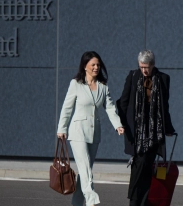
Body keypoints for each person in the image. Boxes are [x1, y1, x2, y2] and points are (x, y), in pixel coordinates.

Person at [57, 51, 124, 206]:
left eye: (98, 65)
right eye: (93, 64)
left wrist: (118, 125)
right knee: (86, 168)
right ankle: (92, 200)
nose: (96, 67)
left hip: (94, 134)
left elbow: (110, 108)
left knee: (84, 172)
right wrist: (62, 128)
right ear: (85, 66)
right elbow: (67, 108)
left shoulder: (102, 86)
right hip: (78, 132)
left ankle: (77, 203)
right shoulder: (76, 84)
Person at [117, 50, 175, 206]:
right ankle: (134, 200)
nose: (144, 70)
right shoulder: (133, 77)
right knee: (139, 165)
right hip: (136, 134)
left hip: (154, 133)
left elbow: (165, 107)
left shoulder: (163, 79)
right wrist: (121, 123)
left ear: (153, 65)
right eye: (141, 66)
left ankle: (142, 202)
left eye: (147, 67)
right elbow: (123, 101)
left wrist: (168, 127)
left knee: (147, 168)